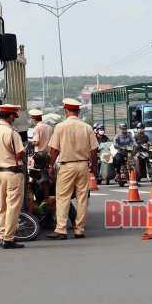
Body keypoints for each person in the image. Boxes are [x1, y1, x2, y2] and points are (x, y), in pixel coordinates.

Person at [46, 98, 99, 240]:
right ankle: (79, 230)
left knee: (63, 197)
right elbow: (94, 150)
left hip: (67, 165)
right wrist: (93, 165)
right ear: (79, 111)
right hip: (83, 165)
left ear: (65, 111)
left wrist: (51, 166)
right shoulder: (86, 127)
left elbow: (54, 150)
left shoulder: (60, 127)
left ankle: (61, 230)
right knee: (82, 199)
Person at [0, 104, 26, 249]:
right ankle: (8, 238)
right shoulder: (11, 132)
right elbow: (19, 153)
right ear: (11, 117)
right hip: (12, 172)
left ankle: (2, 235)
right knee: (13, 207)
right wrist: (25, 150)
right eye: (14, 117)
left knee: (3, 207)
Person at [29, 108, 53, 186]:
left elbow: (37, 142)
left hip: (39, 157)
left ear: (33, 119)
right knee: (47, 179)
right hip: (49, 156)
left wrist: (32, 143)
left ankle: (44, 197)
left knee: (35, 177)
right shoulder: (50, 128)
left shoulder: (37, 128)